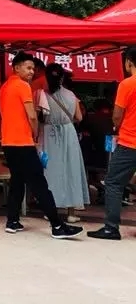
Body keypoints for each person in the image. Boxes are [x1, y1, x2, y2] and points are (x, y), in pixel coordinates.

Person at [0, 51, 82, 239]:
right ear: (16, 67)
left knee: (17, 181)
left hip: (8, 141)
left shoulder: (4, 88)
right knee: (39, 183)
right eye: (28, 68)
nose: (31, 72)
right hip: (23, 141)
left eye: (33, 69)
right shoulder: (23, 86)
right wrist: (35, 135)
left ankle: (12, 221)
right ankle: (57, 225)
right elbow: (32, 116)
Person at [89, 47, 136, 240]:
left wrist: (118, 126)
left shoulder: (127, 84)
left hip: (129, 142)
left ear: (128, 62)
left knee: (113, 182)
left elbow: (117, 115)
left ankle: (111, 227)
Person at [38, 63, 89, 223]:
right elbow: (79, 117)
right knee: (71, 170)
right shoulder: (71, 95)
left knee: (51, 171)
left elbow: (39, 118)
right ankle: (71, 212)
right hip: (69, 133)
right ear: (62, 78)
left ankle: (50, 210)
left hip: (49, 134)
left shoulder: (41, 95)